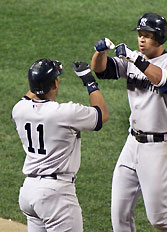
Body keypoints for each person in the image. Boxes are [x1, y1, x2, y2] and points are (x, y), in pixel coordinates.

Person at [91, 13, 167, 232]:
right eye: (140, 35)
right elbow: (101, 70)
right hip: (132, 145)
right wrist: (100, 51)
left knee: (160, 219)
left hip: (161, 148)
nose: (141, 40)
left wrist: (136, 60)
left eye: (147, 36)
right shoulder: (133, 59)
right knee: (119, 215)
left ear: (159, 38)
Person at [12, 58, 109, 232]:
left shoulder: (19, 109)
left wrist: (40, 77)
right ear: (56, 83)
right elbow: (102, 114)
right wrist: (88, 79)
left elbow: (30, 94)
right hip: (56, 196)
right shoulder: (66, 113)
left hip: (29, 193)